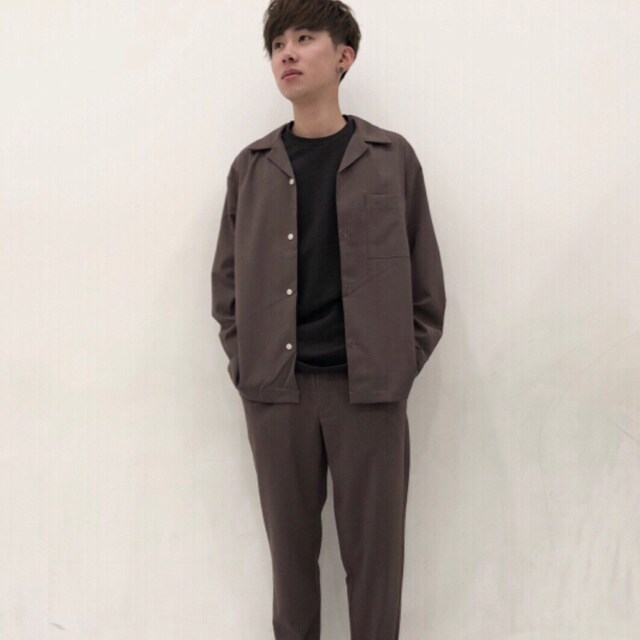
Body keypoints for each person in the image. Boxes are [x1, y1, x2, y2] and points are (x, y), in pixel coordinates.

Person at [211, 1, 446, 638]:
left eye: (304, 37)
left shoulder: (391, 158)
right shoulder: (252, 167)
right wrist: (247, 363)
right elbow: (226, 285)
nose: (287, 52)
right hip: (277, 394)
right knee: (290, 570)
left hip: (368, 394)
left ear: (344, 56)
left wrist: (397, 364)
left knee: (376, 568)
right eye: (277, 44)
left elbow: (426, 285)